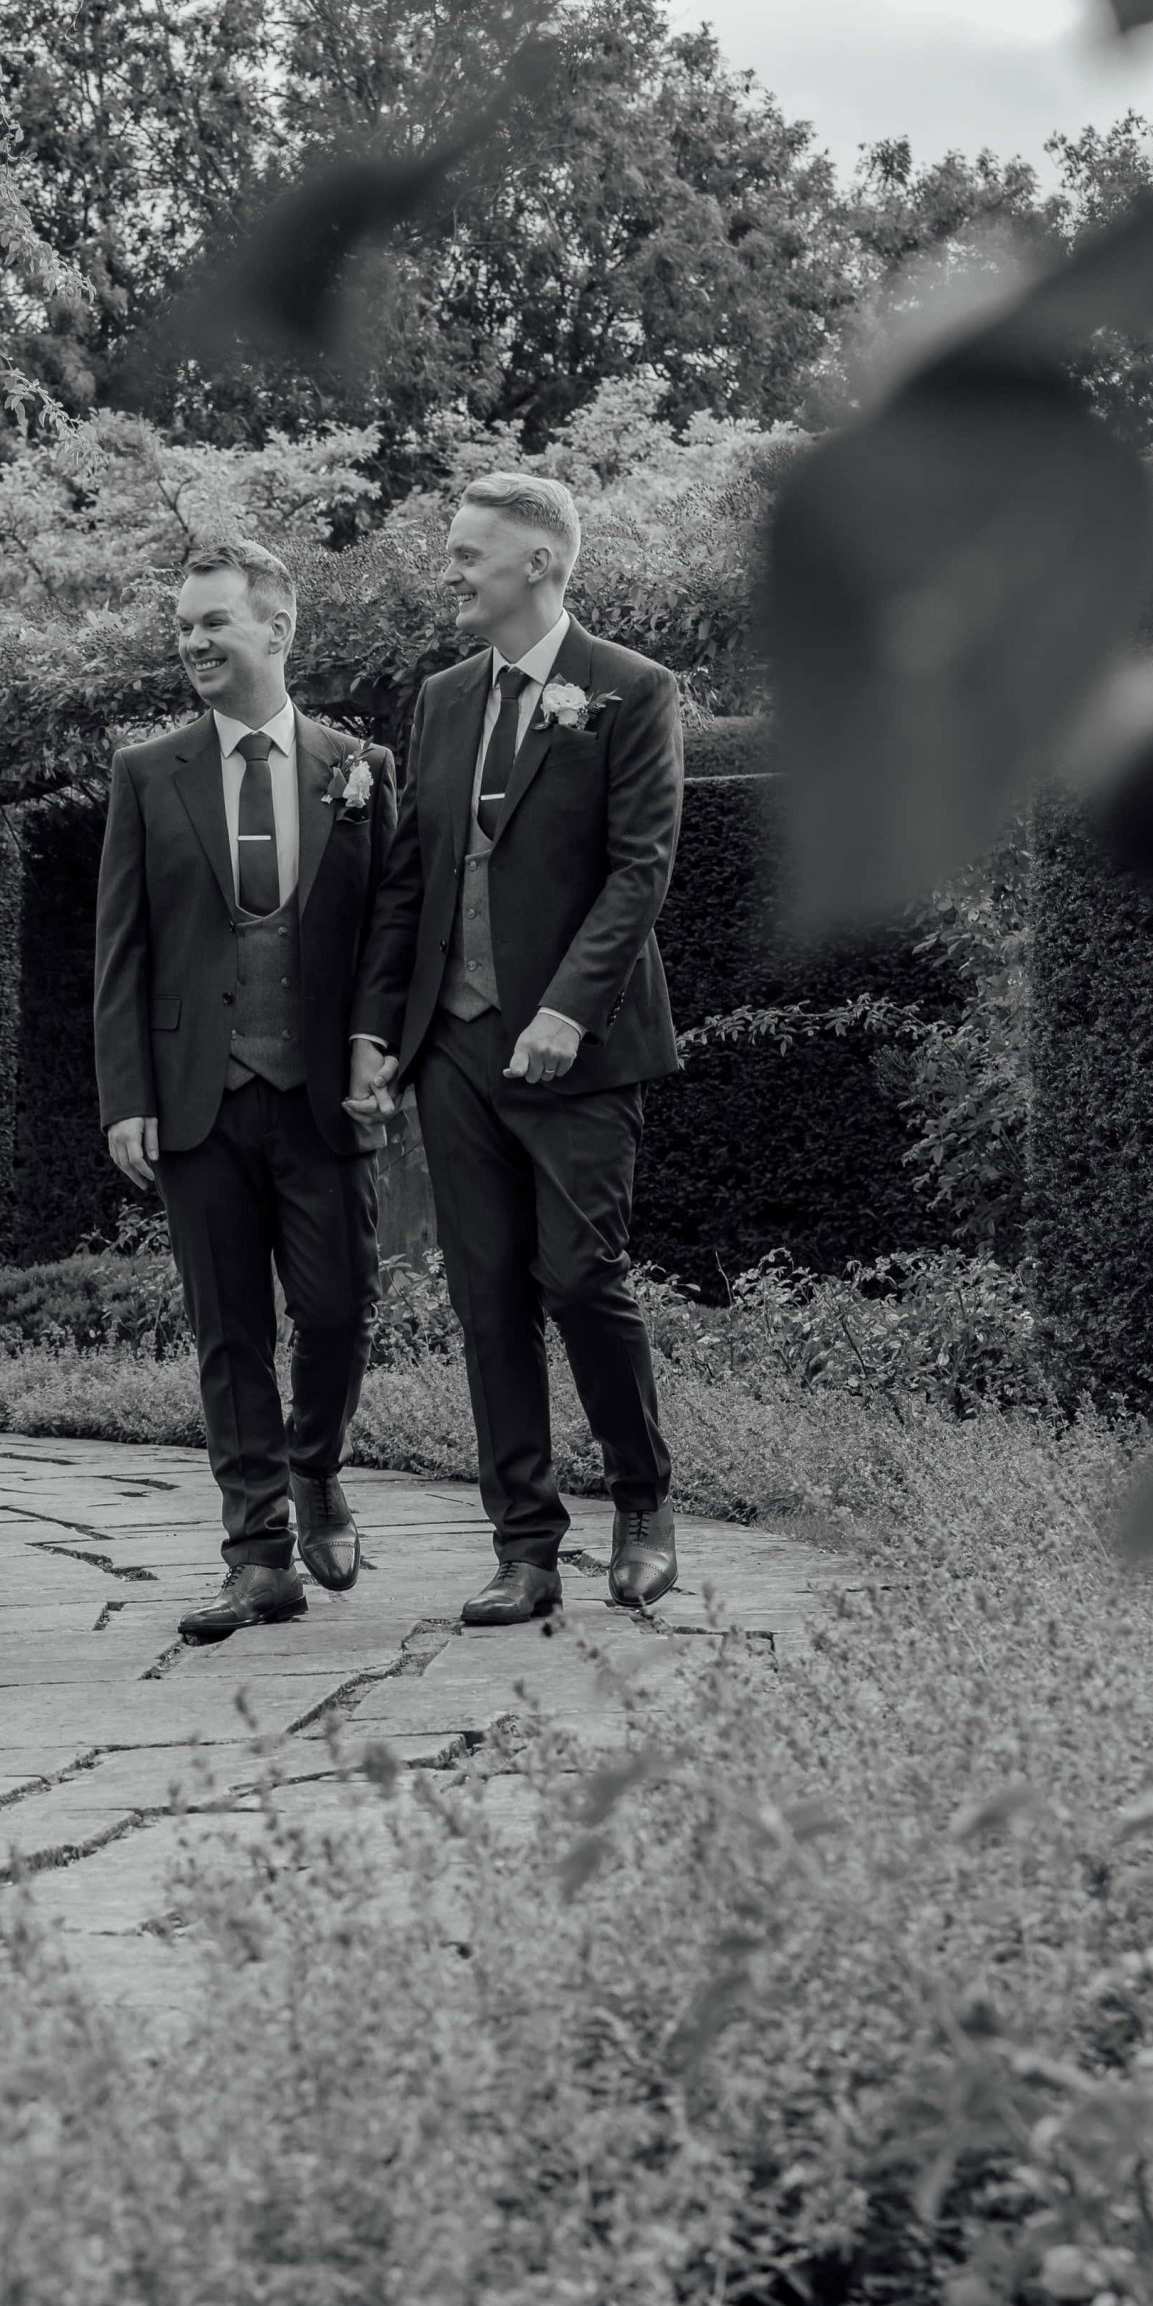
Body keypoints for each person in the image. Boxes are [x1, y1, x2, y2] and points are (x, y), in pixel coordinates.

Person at [347, 473, 683, 1627]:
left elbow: (640, 868)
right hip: (454, 1046)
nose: (450, 570)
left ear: (538, 561)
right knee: (486, 1296)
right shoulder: (443, 700)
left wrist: (566, 1010)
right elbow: (411, 878)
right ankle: (525, 1549)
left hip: (580, 1052)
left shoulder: (631, 689)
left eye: (467, 553)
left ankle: (642, 1505)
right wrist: (377, 1031)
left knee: (581, 1276)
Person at [94, 538, 398, 1640]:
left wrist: (375, 1044)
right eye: (183, 626)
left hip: (321, 1096)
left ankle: (314, 1466)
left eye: (213, 621)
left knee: (338, 1308)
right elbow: (121, 947)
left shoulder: (358, 767)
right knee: (228, 1331)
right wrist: (126, 1094)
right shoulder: (146, 772)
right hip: (196, 1096)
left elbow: (389, 931)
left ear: (278, 628)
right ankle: (258, 1555)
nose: (193, 641)